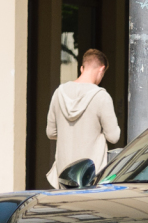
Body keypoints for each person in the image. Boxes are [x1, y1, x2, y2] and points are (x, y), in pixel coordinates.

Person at [46, 49, 121, 188]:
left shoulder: (59, 93)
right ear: (101, 69)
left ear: (82, 68)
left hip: (63, 176)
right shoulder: (101, 96)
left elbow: (51, 133)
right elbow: (114, 137)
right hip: (90, 176)